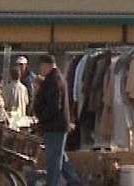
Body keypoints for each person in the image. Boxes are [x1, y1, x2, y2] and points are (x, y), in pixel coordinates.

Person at [33, 54, 82, 186]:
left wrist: (42, 118)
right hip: (56, 125)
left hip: (54, 126)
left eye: (41, 66)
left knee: (54, 160)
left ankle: (53, 183)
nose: (40, 69)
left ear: (47, 65)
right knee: (59, 156)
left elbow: (54, 106)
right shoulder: (56, 78)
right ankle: (74, 180)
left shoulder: (53, 81)